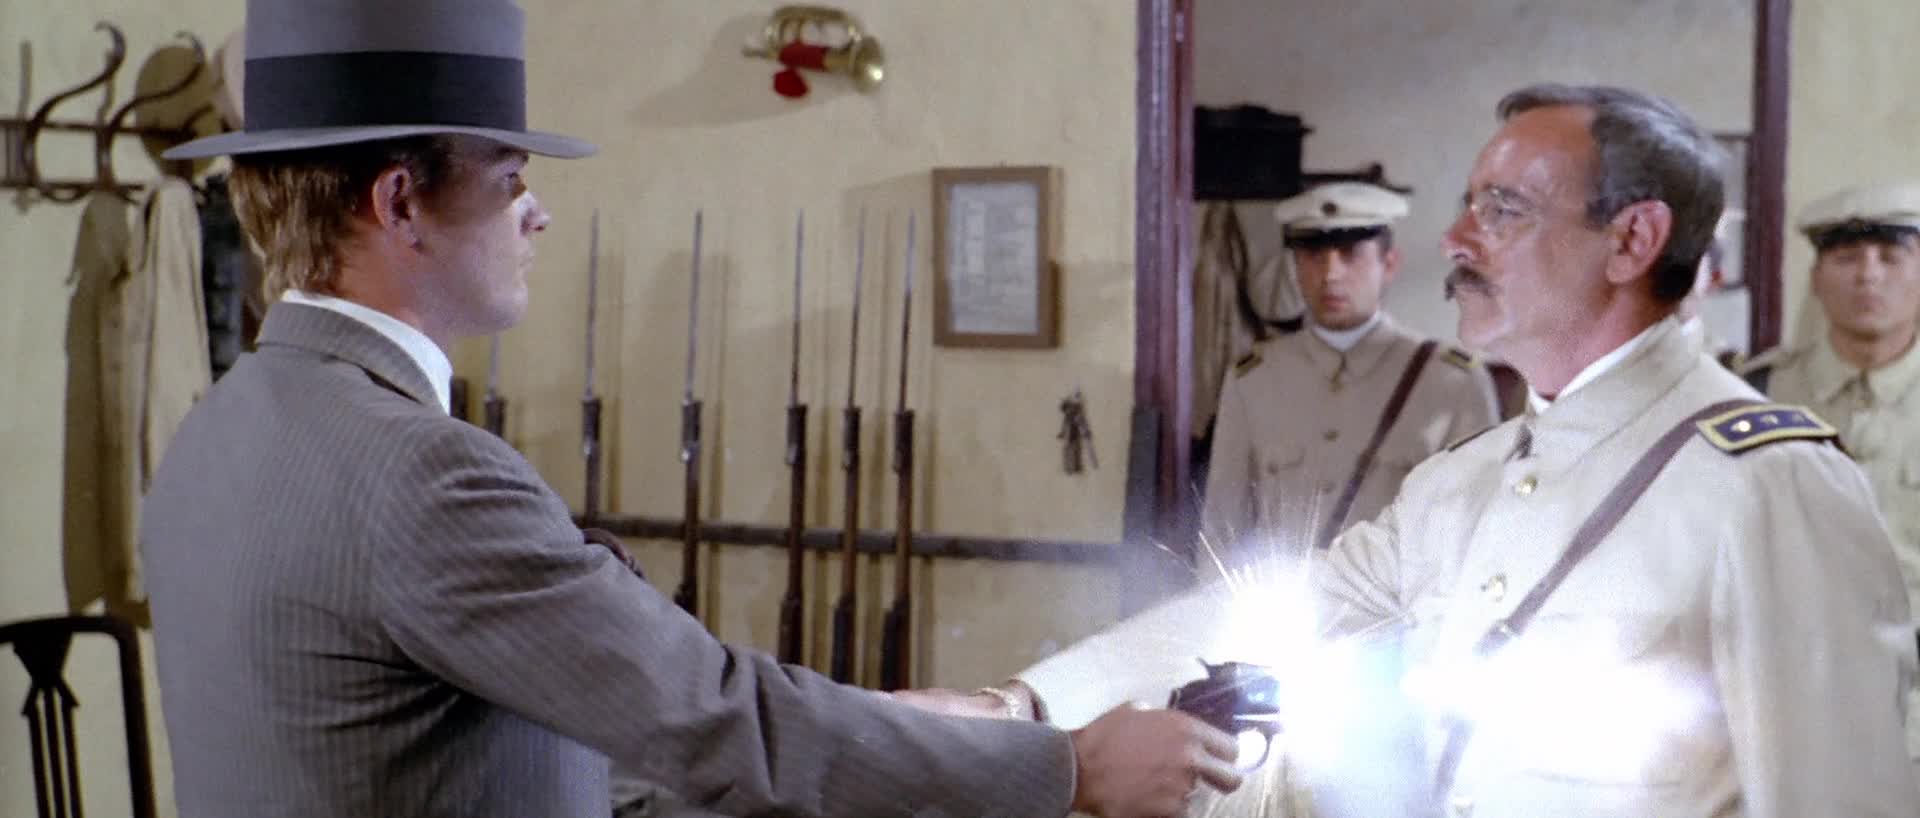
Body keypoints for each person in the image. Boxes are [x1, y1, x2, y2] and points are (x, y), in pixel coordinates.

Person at [136, 2, 1243, 817]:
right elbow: (716, 718)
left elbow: (504, 750)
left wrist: (924, 729)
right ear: (400, 203)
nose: (538, 213)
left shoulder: (215, 431)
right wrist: (1067, 768)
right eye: (510, 179)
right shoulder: (423, 473)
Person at [898, 84, 1920, 817]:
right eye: (1472, 204)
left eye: (1504, 209)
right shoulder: (1465, 482)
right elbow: (1287, 601)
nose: (1457, 240)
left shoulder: (1770, 484)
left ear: (1632, 240)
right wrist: (1022, 704)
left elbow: (1842, 794)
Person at [1200, 182, 1500, 564]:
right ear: (1295, 266)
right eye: (1313, 255)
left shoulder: (1453, 383)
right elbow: (1222, 527)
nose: (1331, 274)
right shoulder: (1253, 380)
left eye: (1350, 254)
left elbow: (1474, 528)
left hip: (1401, 599)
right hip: (1282, 599)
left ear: (1389, 263)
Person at [1741, 180, 1920, 776]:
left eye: (1891, 257)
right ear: (1817, 279)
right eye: (1846, 258)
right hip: (1786, 708)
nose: (1869, 276)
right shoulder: (1756, 394)